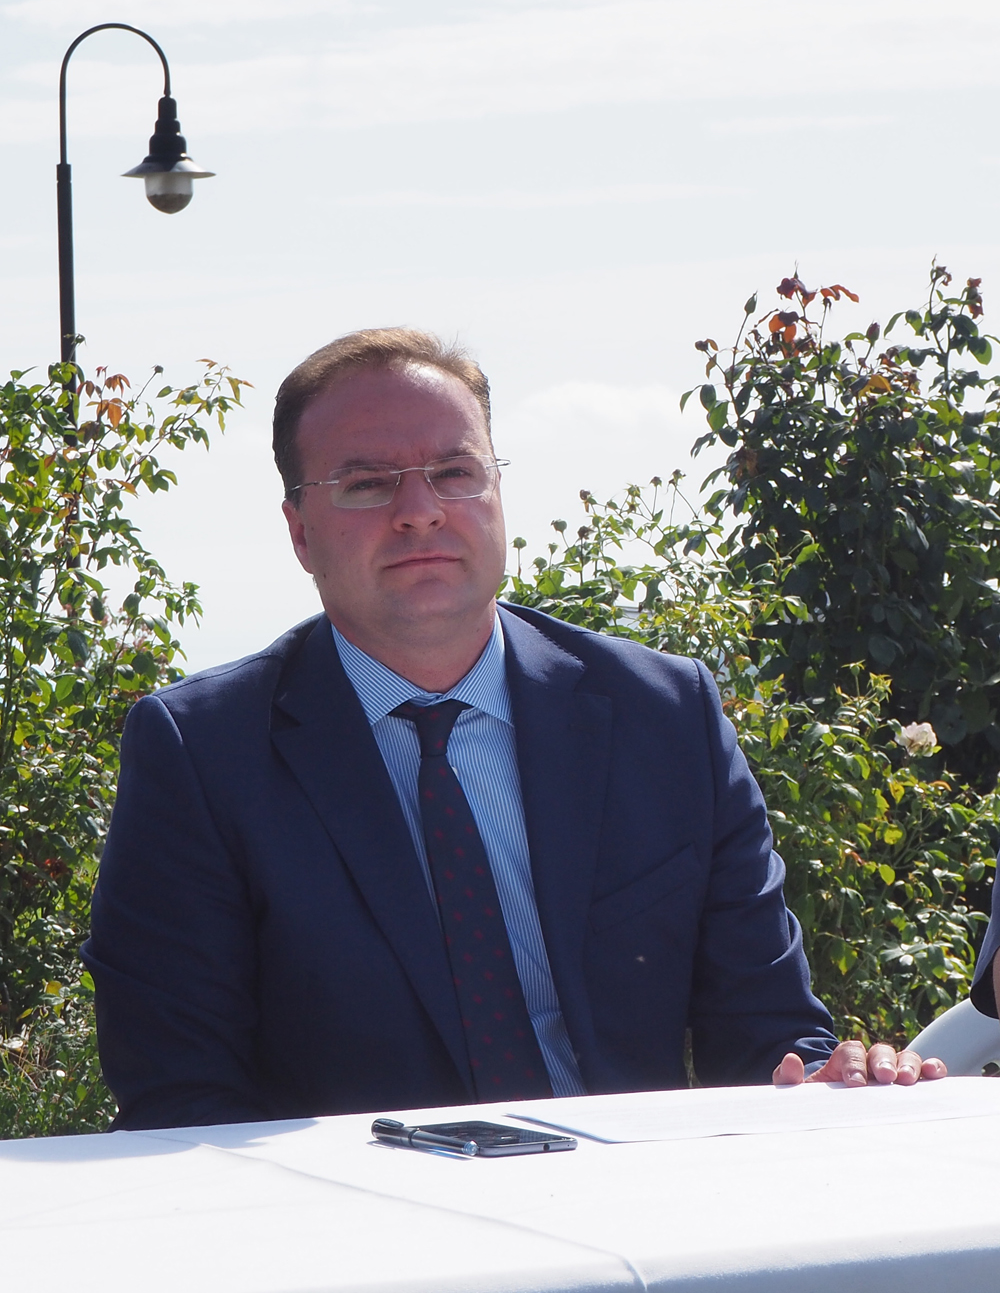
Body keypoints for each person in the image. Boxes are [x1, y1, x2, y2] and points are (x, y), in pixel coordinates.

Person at [83, 329, 944, 1130]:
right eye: (368, 483)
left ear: (498, 491)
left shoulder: (662, 713)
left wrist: (826, 1078)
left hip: (641, 1208)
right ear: (300, 531)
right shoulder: (202, 755)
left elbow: (767, 1034)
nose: (420, 511)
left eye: (454, 471)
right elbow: (180, 1095)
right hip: (362, 1221)